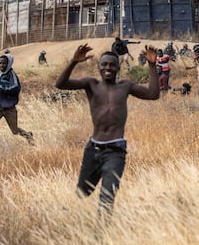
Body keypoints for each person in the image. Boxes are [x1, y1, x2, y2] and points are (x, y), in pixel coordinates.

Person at [55, 43, 159, 223]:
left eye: (112, 65)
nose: (108, 68)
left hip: (116, 151)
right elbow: (60, 84)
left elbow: (153, 94)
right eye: (104, 65)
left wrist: (151, 66)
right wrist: (73, 62)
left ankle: (100, 235)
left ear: (118, 67)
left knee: (108, 195)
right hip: (93, 149)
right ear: (99, 67)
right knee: (83, 192)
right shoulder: (91, 85)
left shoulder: (125, 86)